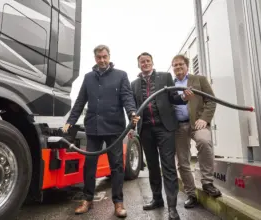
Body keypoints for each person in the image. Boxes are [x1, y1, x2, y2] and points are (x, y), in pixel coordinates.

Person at [63, 45, 140, 218]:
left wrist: (132, 113)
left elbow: (127, 97)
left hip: (114, 128)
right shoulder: (89, 77)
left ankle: (118, 203)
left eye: (105, 56)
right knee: (90, 165)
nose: (102, 60)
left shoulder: (121, 75)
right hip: (94, 128)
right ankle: (87, 200)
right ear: (95, 58)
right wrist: (70, 122)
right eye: (99, 57)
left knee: (117, 166)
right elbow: (80, 101)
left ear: (109, 56)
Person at [130, 52, 193, 220]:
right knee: (152, 166)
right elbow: (133, 106)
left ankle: (172, 207)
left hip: (165, 128)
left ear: (152, 62)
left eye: (148, 61)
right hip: (145, 130)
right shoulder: (134, 84)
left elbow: (174, 97)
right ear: (139, 65)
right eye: (142, 62)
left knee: (168, 167)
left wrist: (183, 97)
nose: (145, 64)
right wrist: (132, 116)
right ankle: (157, 199)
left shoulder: (165, 77)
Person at [171, 54, 221, 209]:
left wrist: (205, 119)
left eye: (181, 64)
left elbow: (211, 100)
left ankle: (207, 183)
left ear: (187, 66)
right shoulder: (170, 85)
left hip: (198, 123)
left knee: (204, 141)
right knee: (182, 161)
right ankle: (191, 194)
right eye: (175, 65)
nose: (178, 67)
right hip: (178, 126)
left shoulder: (199, 80)